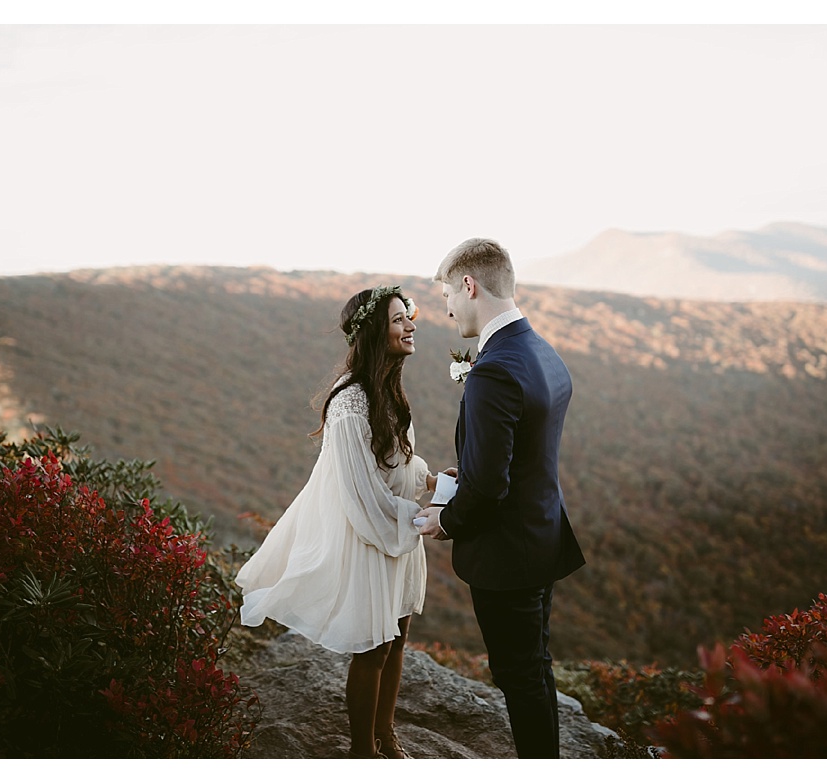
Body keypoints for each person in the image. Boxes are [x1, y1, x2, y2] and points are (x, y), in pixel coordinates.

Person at [236, 284, 435, 758]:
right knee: (373, 648)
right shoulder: (350, 401)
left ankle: (387, 735)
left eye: (409, 316)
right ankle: (362, 752)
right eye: (398, 319)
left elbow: (394, 460)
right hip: (368, 531)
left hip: (394, 524)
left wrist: (429, 479)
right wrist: (415, 519)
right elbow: (359, 487)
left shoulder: (387, 386)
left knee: (399, 636)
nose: (410, 325)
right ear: (372, 332)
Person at [414, 237, 584, 759]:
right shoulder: (542, 351)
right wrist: (466, 474)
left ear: (469, 285)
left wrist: (448, 520)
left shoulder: (493, 370)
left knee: (518, 676)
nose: (445, 306)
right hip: (541, 537)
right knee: (535, 666)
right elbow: (519, 457)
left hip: (508, 556)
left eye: (447, 292)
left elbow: (490, 488)